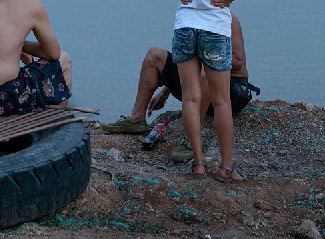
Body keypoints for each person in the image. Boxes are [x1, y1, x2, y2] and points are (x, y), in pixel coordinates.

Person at [139, 0, 267, 182]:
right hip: (214, 31)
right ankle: (226, 166)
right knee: (220, 101)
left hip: (185, 28)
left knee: (191, 97)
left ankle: (198, 163)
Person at [100, 12, 260, 163]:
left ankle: (192, 139)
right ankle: (136, 119)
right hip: (198, 87)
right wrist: (165, 91)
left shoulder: (226, 18)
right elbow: (187, 63)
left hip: (231, 91)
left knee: (205, 68)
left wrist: (206, 57)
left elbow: (238, 61)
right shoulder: (190, 18)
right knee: (154, 55)